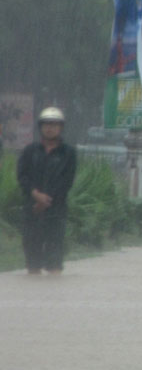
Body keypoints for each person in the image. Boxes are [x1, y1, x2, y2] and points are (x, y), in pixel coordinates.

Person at [16, 107, 77, 275]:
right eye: (46, 124)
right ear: (40, 127)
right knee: (32, 256)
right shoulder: (30, 151)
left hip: (56, 211)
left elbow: (67, 181)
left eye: (54, 124)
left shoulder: (68, 153)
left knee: (54, 256)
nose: (50, 128)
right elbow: (22, 176)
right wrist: (35, 195)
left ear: (61, 127)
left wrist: (46, 200)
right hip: (32, 209)